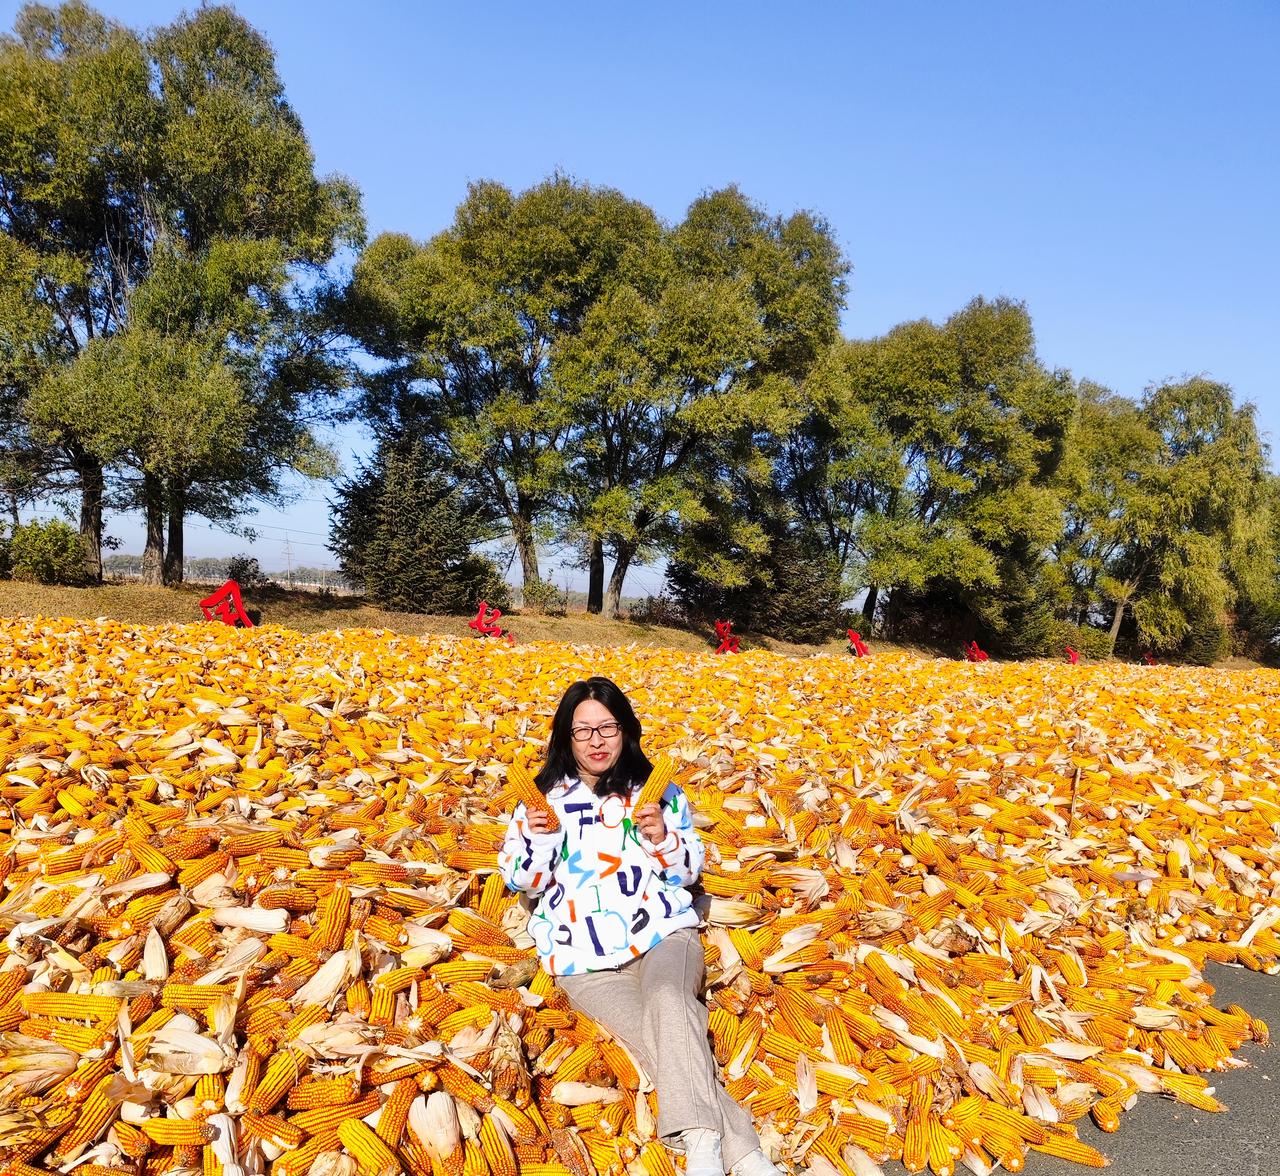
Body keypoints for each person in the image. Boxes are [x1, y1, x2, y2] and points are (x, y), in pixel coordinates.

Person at [498, 676, 783, 1176]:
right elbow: (522, 883)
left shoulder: (659, 793)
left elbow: (688, 872)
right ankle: (746, 1155)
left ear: (626, 731)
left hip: (661, 936)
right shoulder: (540, 802)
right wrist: (540, 843)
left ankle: (703, 1149)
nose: (596, 741)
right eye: (583, 730)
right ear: (566, 736)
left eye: (608, 728)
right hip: (583, 960)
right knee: (657, 1042)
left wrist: (663, 837)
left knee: (670, 1001)